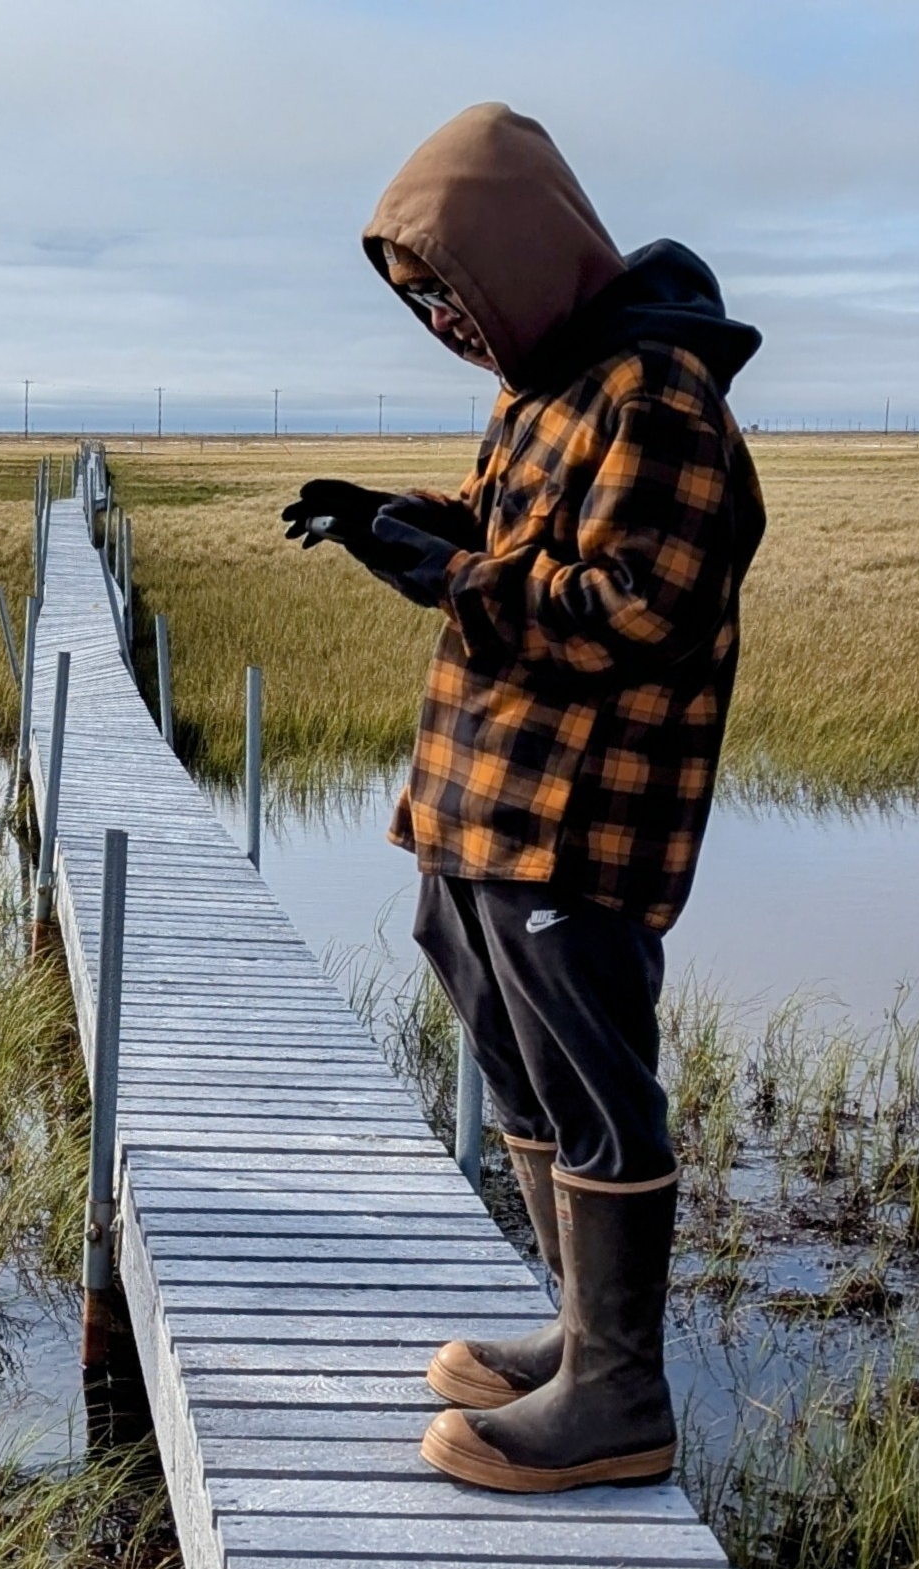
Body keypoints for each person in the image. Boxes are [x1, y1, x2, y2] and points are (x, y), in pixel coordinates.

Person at [280, 104, 765, 1493]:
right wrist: (395, 520)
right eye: (418, 300)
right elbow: (505, 535)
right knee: (521, 1059)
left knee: (598, 1081)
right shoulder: (543, 385)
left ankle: (619, 1394)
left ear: (521, 252)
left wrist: (452, 577)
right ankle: (577, 1336)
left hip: (577, 819)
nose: (439, 317)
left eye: (450, 285)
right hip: (483, 808)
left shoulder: (656, 394)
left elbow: (634, 611)